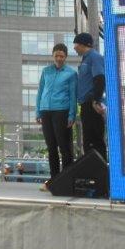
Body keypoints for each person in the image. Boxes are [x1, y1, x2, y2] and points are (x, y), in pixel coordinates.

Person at [36, 43, 77, 190]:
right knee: (51, 147)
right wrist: (38, 111)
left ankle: (66, 180)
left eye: (62, 56)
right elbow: (40, 92)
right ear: (53, 56)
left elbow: (73, 96)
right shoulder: (46, 71)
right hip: (46, 111)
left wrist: (72, 115)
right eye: (56, 55)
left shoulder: (71, 74)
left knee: (64, 148)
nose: (59, 58)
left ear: (66, 57)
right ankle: (54, 181)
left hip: (62, 112)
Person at [73, 33, 107, 162]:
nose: (75, 48)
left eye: (76, 44)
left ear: (82, 44)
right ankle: (91, 170)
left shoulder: (94, 57)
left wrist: (96, 100)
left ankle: (101, 173)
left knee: (96, 140)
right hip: (85, 105)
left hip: (92, 104)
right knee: (88, 141)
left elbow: (100, 79)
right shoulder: (85, 59)